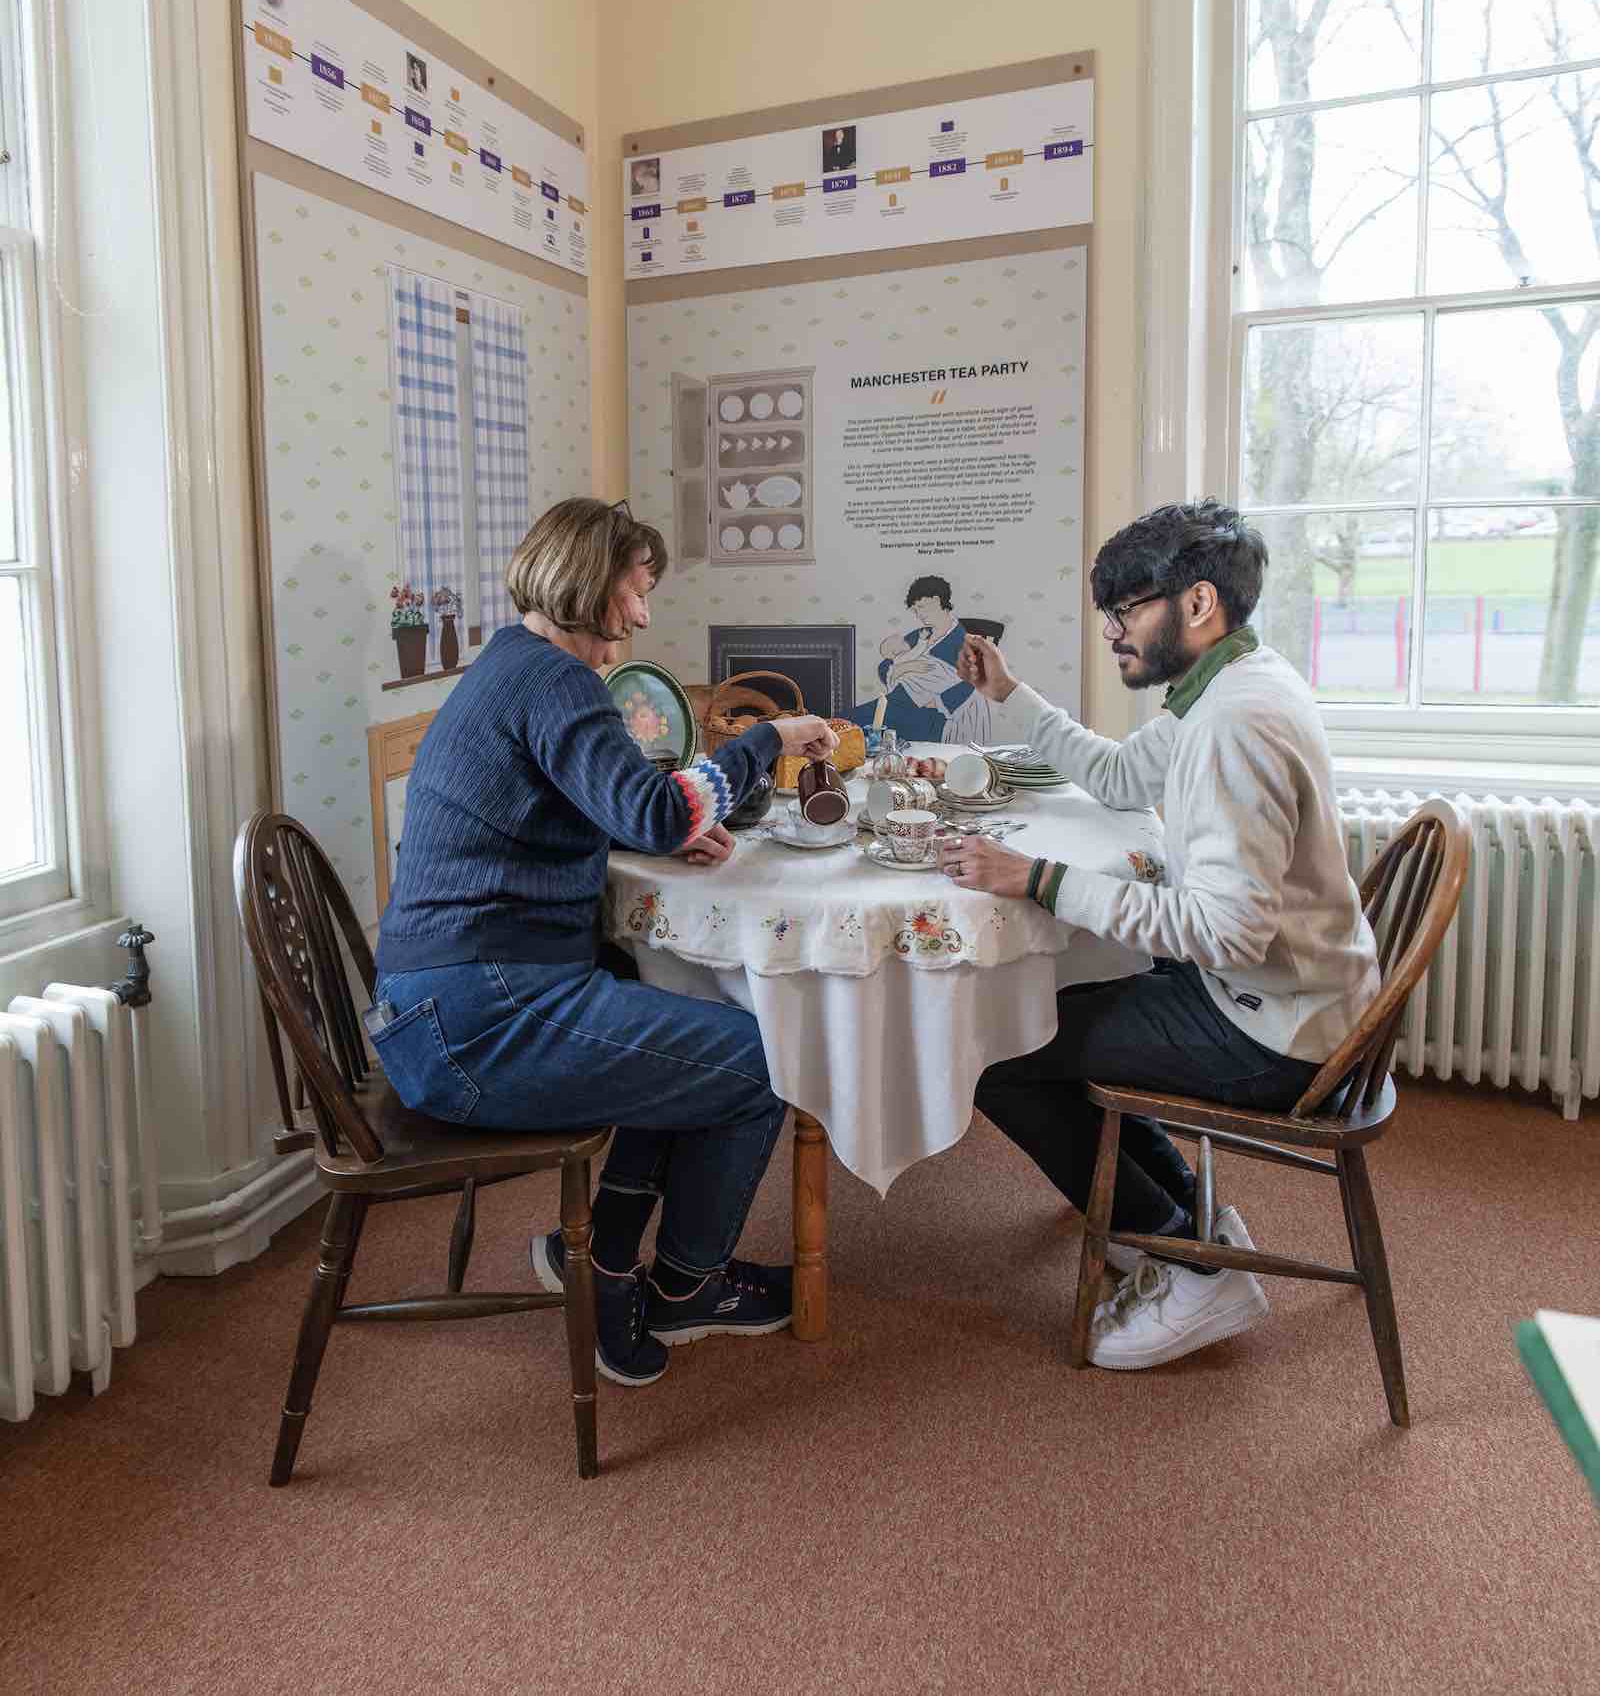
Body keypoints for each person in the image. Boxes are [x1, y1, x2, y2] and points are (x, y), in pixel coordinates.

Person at [371, 497, 836, 1387]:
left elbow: (574, 806)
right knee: (758, 1065)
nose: (643, 613)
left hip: (448, 1000)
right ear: (589, 582)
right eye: (637, 588)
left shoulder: (512, 669)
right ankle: (687, 1284)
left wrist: (638, 833)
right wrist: (766, 741)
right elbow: (657, 807)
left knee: (685, 1019)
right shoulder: (557, 683)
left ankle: (608, 1256)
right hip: (476, 1021)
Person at [940, 501, 1379, 1371]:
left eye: (1127, 611)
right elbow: (1115, 777)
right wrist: (1010, 695)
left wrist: (1039, 881)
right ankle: (1187, 1221)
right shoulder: (1234, 678)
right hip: (1297, 996)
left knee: (996, 1053)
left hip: (1279, 1030)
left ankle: (1183, 1261)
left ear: (1198, 603)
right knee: (1052, 1016)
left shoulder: (1231, 723)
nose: (1113, 632)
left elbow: (1228, 931)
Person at [851, 574, 991, 745]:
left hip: (931, 712)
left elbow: (973, 682)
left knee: (855, 726)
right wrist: (905, 667)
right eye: (916, 610)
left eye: (921, 607)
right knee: (850, 720)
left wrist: (937, 702)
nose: (918, 615)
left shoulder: (962, 640)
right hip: (900, 701)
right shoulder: (921, 635)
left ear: (936, 599)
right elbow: (886, 663)